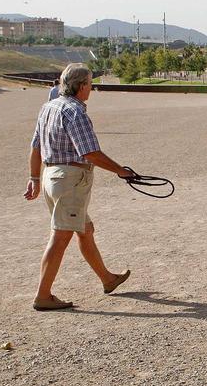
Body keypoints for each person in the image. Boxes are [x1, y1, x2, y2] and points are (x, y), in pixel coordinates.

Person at [24, 63, 133, 311]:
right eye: (90, 84)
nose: (91, 88)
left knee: (85, 230)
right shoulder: (75, 111)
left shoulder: (48, 107)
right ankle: (42, 295)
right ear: (82, 86)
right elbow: (90, 152)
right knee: (61, 236)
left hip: (52, 175)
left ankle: (107, 278)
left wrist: (34, 178)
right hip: (70, 180)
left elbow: (35, 147)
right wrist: (120, 170)